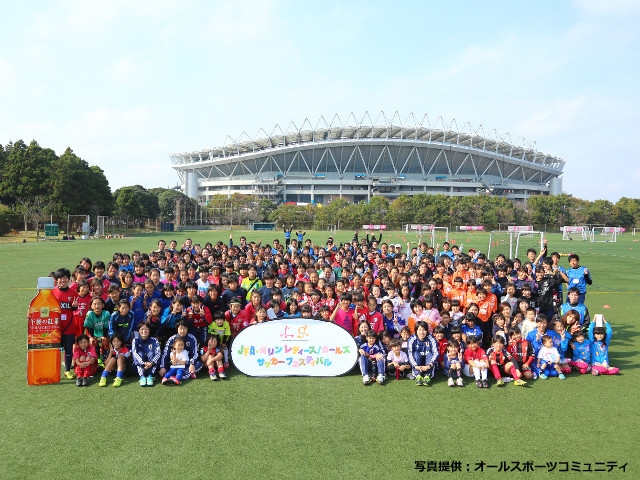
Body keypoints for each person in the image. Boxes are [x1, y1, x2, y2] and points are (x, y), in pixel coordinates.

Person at [53, 268, 78, 379]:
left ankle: (67, 370)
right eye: (60, 278)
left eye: (65, 278)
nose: (63, 280)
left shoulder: (73, 293)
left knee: (68, 350)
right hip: (55, 327)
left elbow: (74, 309)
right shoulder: (52, 292)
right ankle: (53, 370)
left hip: (69, 327)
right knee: (53, 350)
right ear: (57, 280)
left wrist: (74, 307)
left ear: (68, 279)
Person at [407, 321, 439, 386]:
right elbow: (410, 354)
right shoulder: (412, 339)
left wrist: (429, 365)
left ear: (427, 331)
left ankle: (427, 376)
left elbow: (436, 353)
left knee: (430, 354)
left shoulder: (431, 339)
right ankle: (418, 376)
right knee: (415, 354)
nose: (421, 332)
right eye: (419, 330)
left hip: (428, 363)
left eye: (424, 330)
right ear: (416, 331)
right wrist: (415, 366)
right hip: (417, 364)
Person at [132, 322, 161, 386]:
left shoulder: (154, 340)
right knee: (140, 354)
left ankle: (150, 376)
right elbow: (134, 353)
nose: (144, 331)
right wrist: (144, 363)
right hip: (141, 365)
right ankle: (142, 377)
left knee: (151, 353)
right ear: (138, 331)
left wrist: (151, 363)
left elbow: (158, 353)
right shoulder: (135, 340)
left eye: (146, 329)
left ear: (149, 330)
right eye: (142, 329)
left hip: (152, 364)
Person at [83, 296, 110, 366]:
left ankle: (105, 357)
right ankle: (96, 359)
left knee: (104, 341)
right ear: (91, 306)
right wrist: (92, 337)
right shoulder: (89, 314)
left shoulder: (106, 313)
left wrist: (104, 336)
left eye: (99, 304)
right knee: (93, 341)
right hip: (93, 334)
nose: (97, 306)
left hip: (103, 334)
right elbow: (89, 327)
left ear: (103, 305)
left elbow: (106, 327)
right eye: (95, 304)